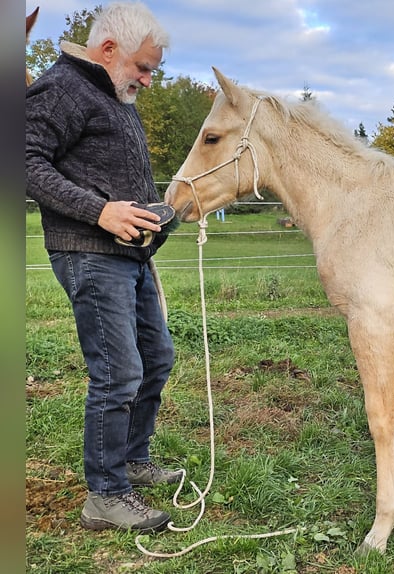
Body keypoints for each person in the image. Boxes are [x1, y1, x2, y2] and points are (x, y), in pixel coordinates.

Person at [26, 2, 182, 533]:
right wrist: (100, 211)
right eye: (143, 67)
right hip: (89, 255)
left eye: (152, 70)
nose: (147, 79)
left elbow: (106, 174)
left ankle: (132, 460)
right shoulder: (63, 87)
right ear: (109, 49)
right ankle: (105, 494)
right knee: (118, 375)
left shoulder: (112, 92)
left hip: (128, 254)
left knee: (157, 357)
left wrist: (154, 214)